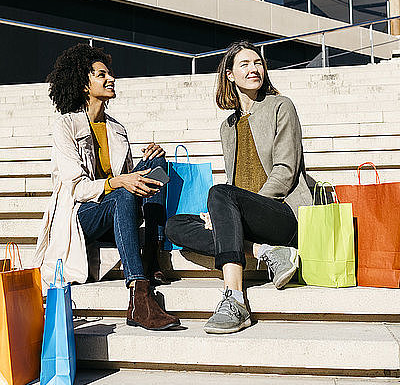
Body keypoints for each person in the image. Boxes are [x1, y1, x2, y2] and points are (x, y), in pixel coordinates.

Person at [166, 41, 312, 334]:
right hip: (247, 219)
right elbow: (234, 182)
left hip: (281, 214)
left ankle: (234, 298)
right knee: (175, 225)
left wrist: (236, 208)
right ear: (230, 75)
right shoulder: (228, 126)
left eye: (258, 63)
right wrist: (220, 216)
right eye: (244, 64)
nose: (254, 69)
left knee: (219, 192)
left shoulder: (280, 106)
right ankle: (265, 252)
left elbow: (285, 172)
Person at [34, 43, 179, 331]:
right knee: (124, 190)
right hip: (81, 215)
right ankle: (139, 291)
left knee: (157, 165)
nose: (110, 79)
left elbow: (128, 181)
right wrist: (119, 182)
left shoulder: (117, 128)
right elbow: (76, 188)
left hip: (115, 206)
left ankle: (152, 251)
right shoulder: (66, 126)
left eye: (109, 74)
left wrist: (144, 163)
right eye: (101, 75)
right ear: (84, 84)